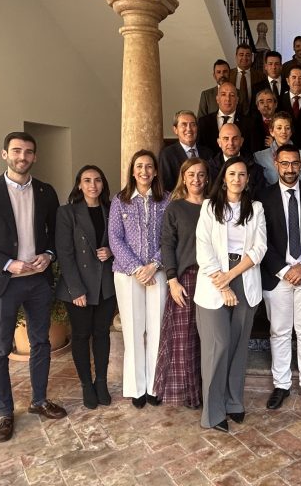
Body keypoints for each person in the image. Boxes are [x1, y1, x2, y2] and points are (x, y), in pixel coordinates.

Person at [0, 131, 67, 442]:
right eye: (16, 151)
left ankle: (39, 400)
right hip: (4, 283)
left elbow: (54, 234)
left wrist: (49, 255)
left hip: (38, 283)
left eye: (29, 152)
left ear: (35, 156)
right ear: (4, 154)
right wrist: (7, 263)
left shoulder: (46, 192)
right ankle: (4, 413)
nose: (22, 157)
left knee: (41, 343)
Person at [195, 157, 267, 432]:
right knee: (218, 346)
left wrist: (232, 277)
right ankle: (213, 413)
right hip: (214, 284)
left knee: (238, 347)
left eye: (242, 174)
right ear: (224, 177)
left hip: (244, 281)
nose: (237, 178)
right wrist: (223, 284)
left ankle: (234, 402)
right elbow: (203, 248)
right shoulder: (209, 207)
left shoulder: (256, 209)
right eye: (232, 174)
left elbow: (259, 248)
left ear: (248, 180)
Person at [260, 145, 301, 412]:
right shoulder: (262, 198)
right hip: (277, 276)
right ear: (276, 164)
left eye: (295, 163)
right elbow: (260, 242)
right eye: (285, 163)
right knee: (280, 332)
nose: (290, 169)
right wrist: (285, 271)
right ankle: (281, 384)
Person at [109, 149, 170, 409]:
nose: (144, 171)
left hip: (159, 271)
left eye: (148, 167)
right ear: (132, 171)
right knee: (133, 331)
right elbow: (115, 238)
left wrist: (154, 264)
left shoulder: (166, 200)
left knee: (157, 328)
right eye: (139, 167)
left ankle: (155, 387)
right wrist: (137, 268)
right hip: (127, 274)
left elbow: (170, 237)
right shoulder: (120, 200)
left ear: (155, 171)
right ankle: (136, 388)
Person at [55, 165, 116, 410]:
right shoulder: (67, 213)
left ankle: (101, 382)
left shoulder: (111, 209)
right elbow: (65, 253)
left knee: (102, 334)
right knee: (81, 336)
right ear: (79, 184)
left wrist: (111, 251)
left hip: (106, 285)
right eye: (87, 180)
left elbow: (120, 241)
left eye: (98, 180)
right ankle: (85, 385)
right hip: (79, 286)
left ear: (103, 184)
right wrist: (75, 289)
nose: (93, 185)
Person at [152, 158, 209, 408]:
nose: (196, 179)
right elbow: (167, 245)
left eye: (201, 174)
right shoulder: (174, 208)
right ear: (183, 178)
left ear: (207, 178)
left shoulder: (213, 206)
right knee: (184, 339)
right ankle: (189, 394)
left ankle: (207, 390)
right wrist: (172, 280)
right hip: (185, 278)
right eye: (191, 175)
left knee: (207, 337)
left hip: (212, 278)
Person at [207, 123, 266, 201]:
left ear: (241, 141)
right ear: (219, 142)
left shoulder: (255, 168)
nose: (231, 143)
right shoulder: (209, 168)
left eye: (235, 138)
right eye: (226, 138)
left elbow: (260, 198)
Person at [254, 111, 301, 185]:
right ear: (271, 131)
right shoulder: (260, 157)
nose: (283, 132)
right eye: (279, 128)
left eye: (287, 128)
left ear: (291, 131)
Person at [159, 110, 212, 192]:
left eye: (193, 125)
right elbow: (167, 187)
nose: (189, 129)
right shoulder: (167, 154)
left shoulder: (208, 153)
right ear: (175, 129)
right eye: (184, 125)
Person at [197, 81, 254, 155]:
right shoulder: (203, 122)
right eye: (223, 94)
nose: (228, 99)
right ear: (217, 99)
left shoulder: (249, 123)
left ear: (237, 100)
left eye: (232, 95)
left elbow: (252, 152)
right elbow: (200, 149)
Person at [227, 43, 265, 115]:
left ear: (252, 57)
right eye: (241, 55)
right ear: (236, 57)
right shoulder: (228, 75)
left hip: (254, 116)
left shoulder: (260, 76)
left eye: (248, 55)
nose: (244, 58)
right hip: (233, 115)